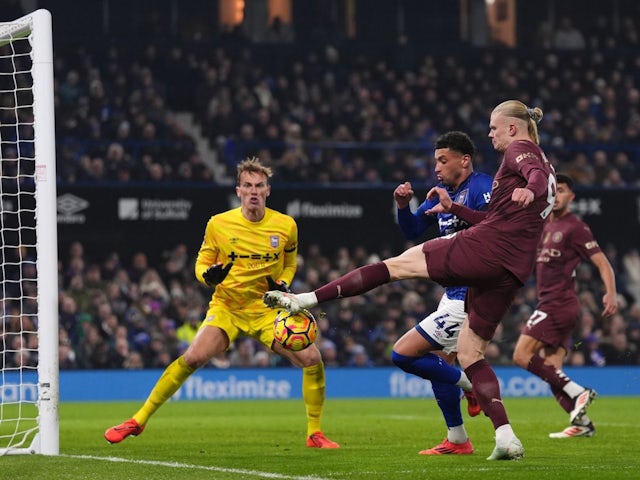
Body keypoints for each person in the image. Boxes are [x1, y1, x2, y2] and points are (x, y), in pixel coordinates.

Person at [265, 100, 557, 460]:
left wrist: (531, 188)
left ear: (512, 128)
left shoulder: (519, 150)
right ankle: (505, 437)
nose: (490, 134)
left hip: (482, 257)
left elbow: (534, 179)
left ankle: (306, 299)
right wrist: (443, 209)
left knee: (395, 267)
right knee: (469, 353)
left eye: (494, 128)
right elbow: (493, 215)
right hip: (512, 269)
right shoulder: (544, 162)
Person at [105, 157, 339, 449]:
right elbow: (201, 264)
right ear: (238, 190)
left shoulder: (286, 226)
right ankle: (137, 421)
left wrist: (283, 283)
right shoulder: (219, 224)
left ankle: (314, 433)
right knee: (192, 358)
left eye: (259, 185)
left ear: (268, 190)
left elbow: (289, 263)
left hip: (267, 309)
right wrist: (208, 276)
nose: (253, 191)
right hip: (227, 307)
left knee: (312, 359)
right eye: (247, 186)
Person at [392, 131, 492, 455]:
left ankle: (468, 385)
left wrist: (456, 209)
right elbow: (411, 230)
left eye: (443, 160)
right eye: (435, 160)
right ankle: (458, 439)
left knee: (403, 354)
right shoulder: (440, 194)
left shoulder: (481, 188)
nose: (436, 167)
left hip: (469, 295)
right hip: (451, 293)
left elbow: (495, 229)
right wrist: (403, 206)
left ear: (464, 160)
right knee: (438, 363)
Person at [512, 173, 617, 438]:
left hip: (558, 303)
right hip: (552, 303)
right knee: (552, 371)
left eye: (562, 191)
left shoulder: (575, 227)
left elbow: (602, 263)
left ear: (571, 196)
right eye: (553, 190)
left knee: (520, 355)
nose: (557, 195)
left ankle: (579, 392)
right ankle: (583, 425)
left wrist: (610, 293)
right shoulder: (544, 225)